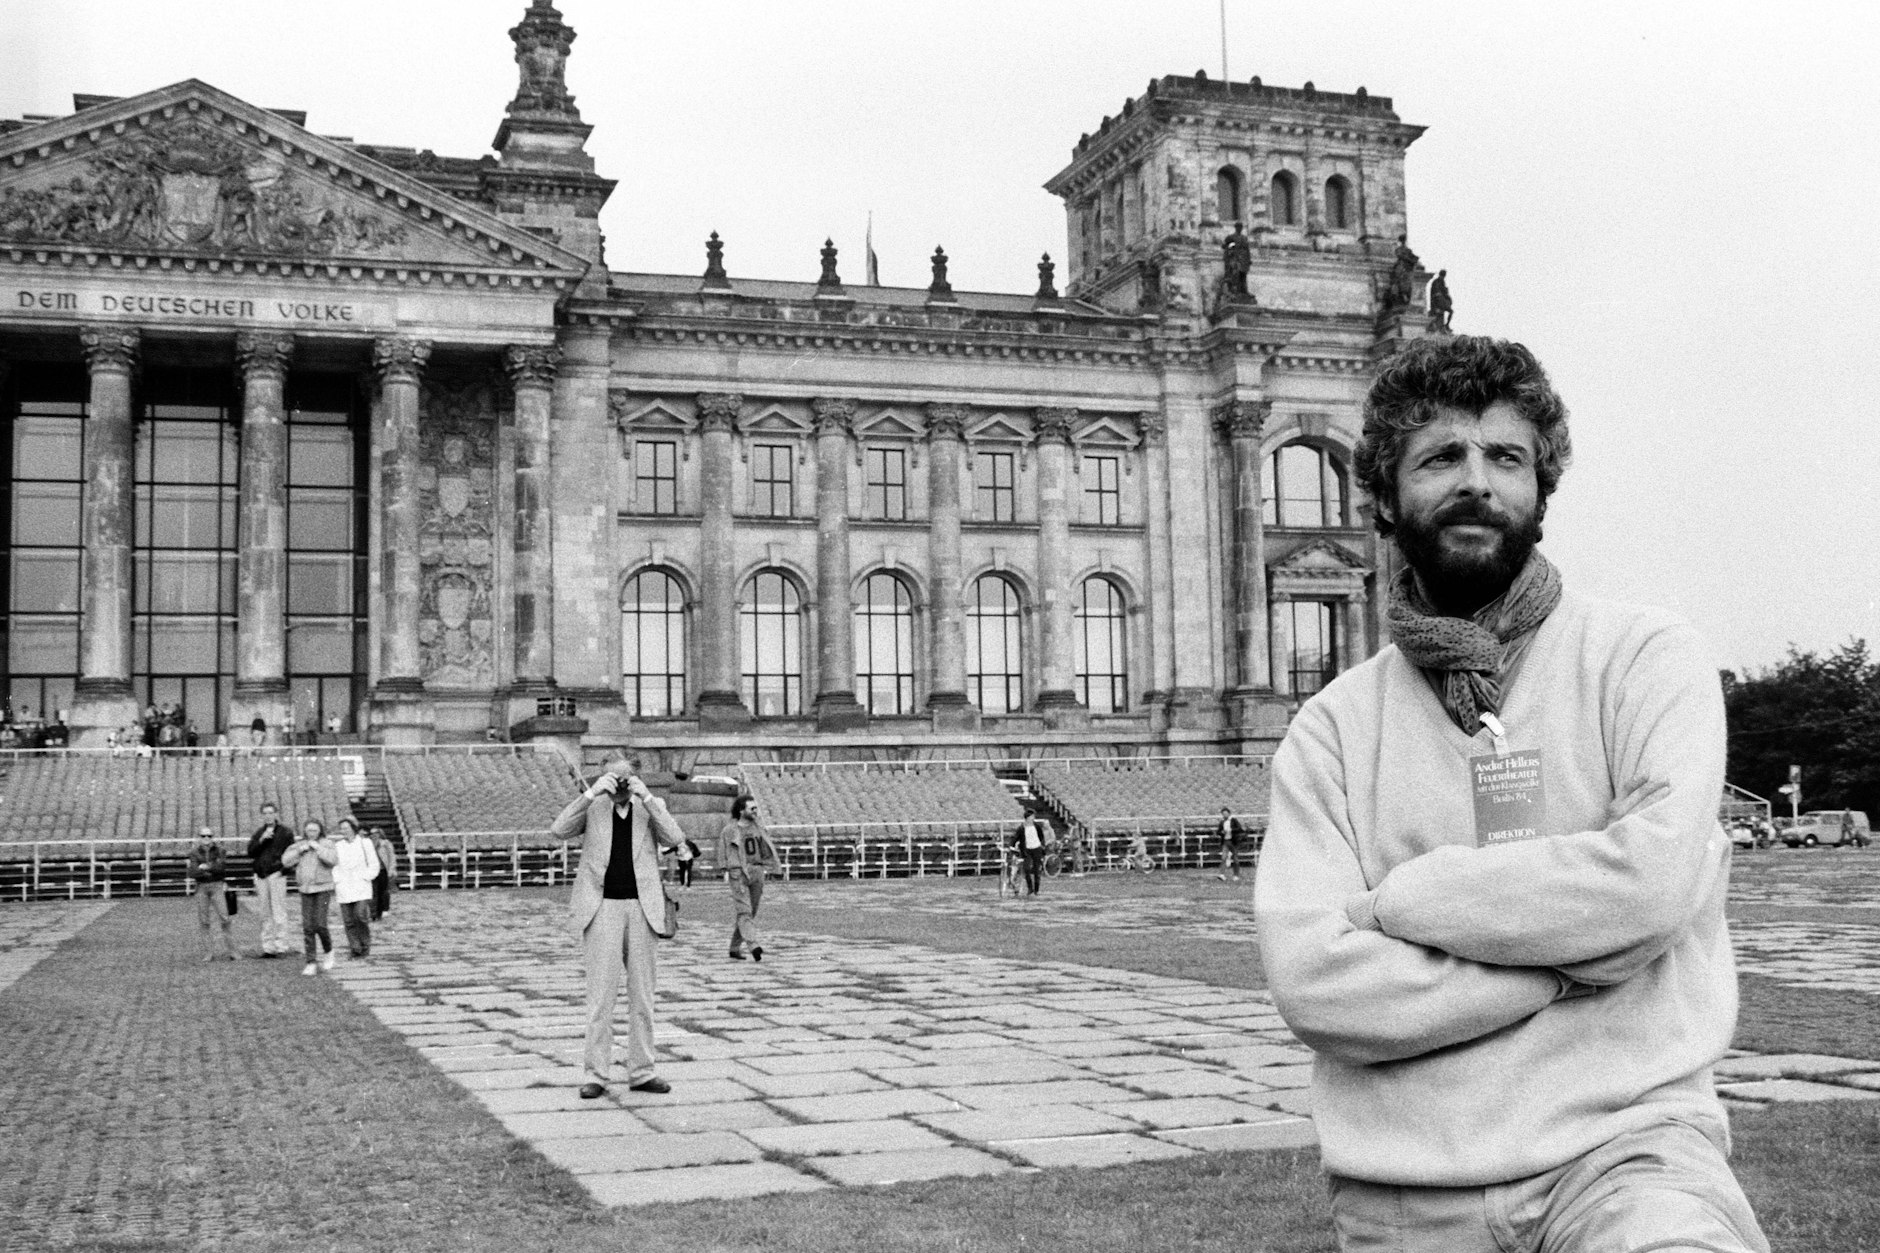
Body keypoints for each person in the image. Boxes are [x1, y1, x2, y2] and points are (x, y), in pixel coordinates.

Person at [1254, 335, 1766, 1252]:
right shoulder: (1330, 729)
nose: (1476, 482)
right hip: (1405, 1196)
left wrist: (1413, 899)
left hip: (1632, 1160)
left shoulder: (1646, 659)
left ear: (1543, 490)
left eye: (1506, 456)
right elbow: (1318, 985)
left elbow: (1649, 886)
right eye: (1441, 456)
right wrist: (1587, 955)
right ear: (1380, 493)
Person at [552, 757, 685, 1099]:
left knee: (643, 996)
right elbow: (559, 829)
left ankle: (642, 1071)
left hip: (642, 909)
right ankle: (596, 1074)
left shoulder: (650, 807)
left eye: (627, 778)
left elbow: (675, 837)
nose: (621, 784)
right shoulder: (594, 806)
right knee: (601, 998)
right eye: (615, 777)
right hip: (602, 908)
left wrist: (650, 799)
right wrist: (589, 793)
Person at [718, 795, 781, 961]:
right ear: (741, 810)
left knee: (750, 912)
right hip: (738, 873)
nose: (755, 811)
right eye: (751, 808)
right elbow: (722, 853)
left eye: (756, 808)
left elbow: (767, 849)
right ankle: (753, 945)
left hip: (757, 872)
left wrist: (771, 866)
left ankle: (734, 948)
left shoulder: (758, 827)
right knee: (744, 911)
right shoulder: (729, 830)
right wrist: (727, 869)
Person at [282, 819, 337, 975]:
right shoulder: (300, 844)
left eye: (315, 830)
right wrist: (300, 851)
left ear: (320, 831)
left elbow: (333, 860)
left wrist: (318, 848)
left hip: (323, 888)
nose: (311, 833)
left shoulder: (327, 843)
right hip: (306, 889)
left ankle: (329, 951)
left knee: (320, 924)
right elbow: (285, 861)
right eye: (309, 830)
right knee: (308, 926)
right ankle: (311, 961)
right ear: (304, 831)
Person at [246, 801, 297, 957]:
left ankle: (281, 946)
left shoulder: (286, 832)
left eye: (270, 812)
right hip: (261, 874)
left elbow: (292, 853)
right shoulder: (259, 832)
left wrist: (283, 871)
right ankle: (268, 947)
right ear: (262, 815)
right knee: (265, 913)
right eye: (265, 813)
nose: (268, 815)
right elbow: (251, 852)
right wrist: (261, 840)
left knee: (279, 911)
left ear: (276, 814)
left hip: (276, 873)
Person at [330, 817, 382, 959]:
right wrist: (337, 880)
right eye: (342, 828)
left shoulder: (365, 843)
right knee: (348, 920)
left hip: (361, 885)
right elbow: (335, 865)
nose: (344, 831)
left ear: (353, 828)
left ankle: (365, 943)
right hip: (344, 885)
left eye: (346, 827)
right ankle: (355, 948)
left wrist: (367, 876)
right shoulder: (339, 845)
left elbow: (373, 863)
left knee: (360, 915)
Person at [186, 826, 239, 962]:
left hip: (217, 886)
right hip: (201, 887)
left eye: (209, 836)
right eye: (203, 836)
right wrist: (211, 867)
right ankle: (208, 953)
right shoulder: (193, 852)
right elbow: (192, 872)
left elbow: (221, 869)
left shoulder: (221, 850)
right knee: (204, 920)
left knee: (225, 918)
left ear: (212, 837)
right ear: (199, 837)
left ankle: (233, 951)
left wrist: (204, 867)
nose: (206, 838)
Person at [1010, 813, 1047, 896]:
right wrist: (1011, 846)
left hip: (1036, 848)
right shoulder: (1022, 828)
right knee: (1026, 869)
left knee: (1037, 870)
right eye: (1031, 817)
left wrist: (1040, 845)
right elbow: (1016, 837)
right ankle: (1030, 888)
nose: (1033, 818)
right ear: (1027, 818)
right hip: (1027, 850)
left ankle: (1036, 890)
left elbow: (1041, 836)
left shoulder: (1037, 826)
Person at [368, 826, 397, 921]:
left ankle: (381, 910)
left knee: (383, 891)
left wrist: (391, 869)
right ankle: (373, 913)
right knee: (373, 892)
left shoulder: (386, 844)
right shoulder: (368, 844)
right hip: (373, 871)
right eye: (372, 834)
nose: (373, 835)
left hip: (383, 870)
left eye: (375, 833)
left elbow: (392, 857)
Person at [1215, 807, 1245, 882]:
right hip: (1225, 841)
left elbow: (1239, 829)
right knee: (1223, 858)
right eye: (1223, 814)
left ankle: (1236, 875)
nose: (1224, 815)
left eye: (1226, 813)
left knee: (1235, 858)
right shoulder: (1222, 822)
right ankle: (1222, 874)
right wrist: (1222, 832)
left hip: (1233, 841)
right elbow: (1218, 831)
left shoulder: (1234, 820)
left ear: (1229, 813)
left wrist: (1231, 830)